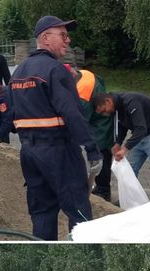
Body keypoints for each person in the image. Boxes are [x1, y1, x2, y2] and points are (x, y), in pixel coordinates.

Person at [6, 16, 102, 240]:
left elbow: (10, 116)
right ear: (46, 38)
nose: (67, 41)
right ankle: (81, 257)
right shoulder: (55, 70)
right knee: (79, 210)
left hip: (29, 154)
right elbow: (72, 113)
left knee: (42, 213)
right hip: (59, 151)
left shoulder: (18, 72)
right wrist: (92, 149)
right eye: (63, 35)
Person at [92, 91, 150, 190]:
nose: (105, 114)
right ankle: (129, 201)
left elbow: (141, 128)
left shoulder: (131, 102)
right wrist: (118, 143)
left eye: (103, 110)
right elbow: (121, 126)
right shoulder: (115, 109)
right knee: (129, 171)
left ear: (108, 101)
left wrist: (125, 148)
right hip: (139, 135)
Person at [67, 65, 113, 202]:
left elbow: (81, 121)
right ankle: (100, 187)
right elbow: (101, 81)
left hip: (99, 124)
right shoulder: (84, 73)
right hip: (101, 117)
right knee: (101, 153)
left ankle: (104, 190)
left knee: (100, 154)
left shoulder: (83, 93)